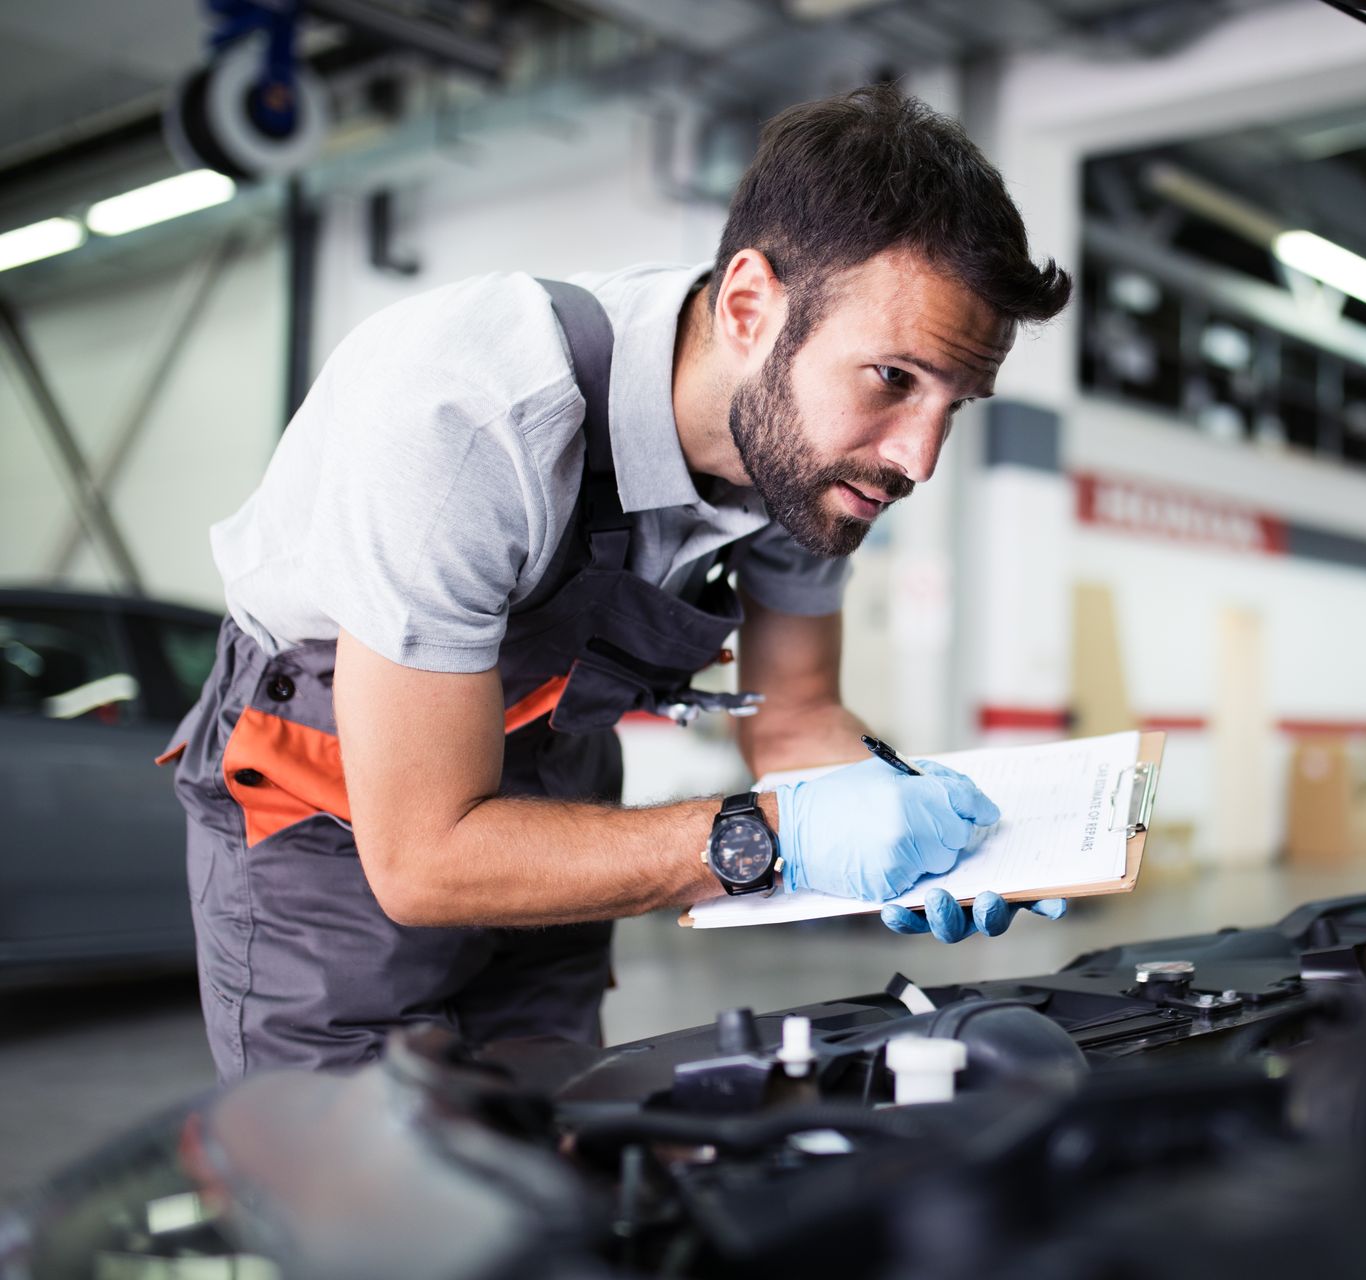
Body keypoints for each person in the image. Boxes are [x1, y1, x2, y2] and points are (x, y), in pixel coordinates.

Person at [160, 85, 1073, 1081]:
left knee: (566, 1145)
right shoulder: (465, 420)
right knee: (359, 1194)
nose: (917, 459)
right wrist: (777, 839)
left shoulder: (812, 463)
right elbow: (422, 855)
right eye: (894, 378)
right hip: (331, 805)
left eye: (957, 401)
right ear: (749, 306)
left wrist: (927, 825)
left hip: (557, 773)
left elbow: (799, 713)